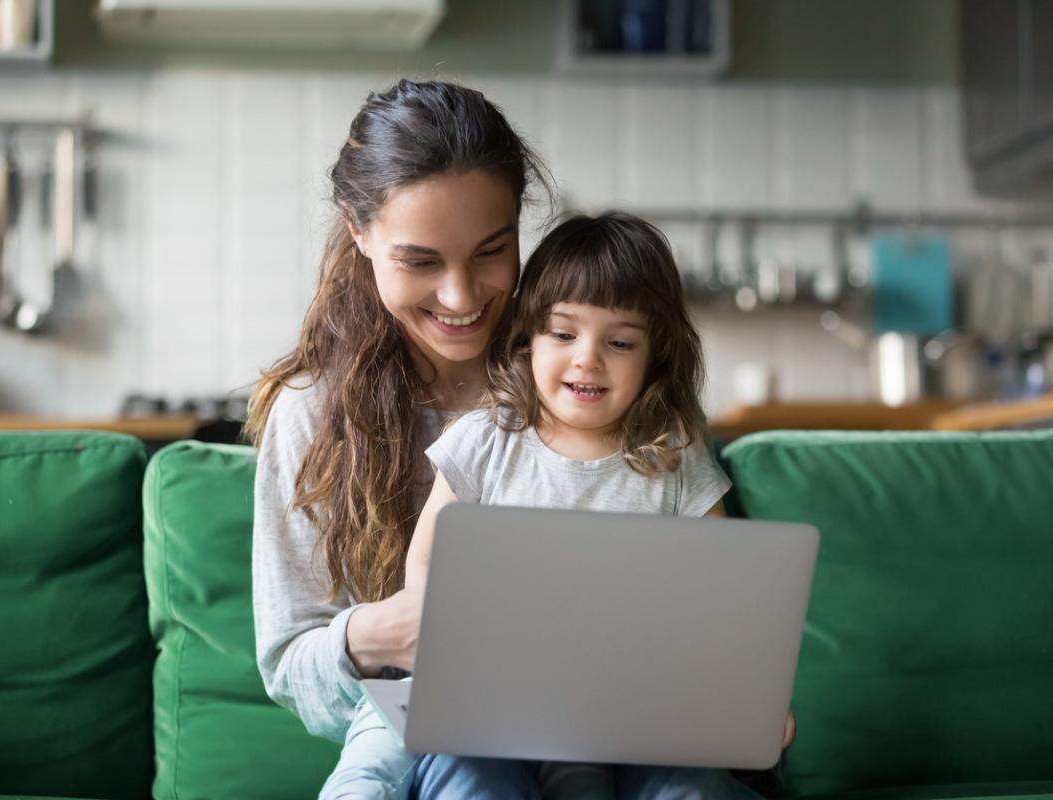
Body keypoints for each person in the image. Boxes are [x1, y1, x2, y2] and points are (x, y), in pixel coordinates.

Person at [249, 79, 788, 799]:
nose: (461, 297)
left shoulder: (594, 379)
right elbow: (289, 666)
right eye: (420, 261)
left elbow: (707, 591)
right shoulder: (311, 413)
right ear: (359, 231)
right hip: (449, 744)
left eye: (490, 251)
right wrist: (377, 635)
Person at [340, 211, 785, 799]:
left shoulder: (674, 458)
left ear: (655, 356)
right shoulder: (487, 440)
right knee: (465, 781)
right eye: (563, 333)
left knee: (689, 789)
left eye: (620, 342)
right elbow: (424, 571)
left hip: (636, 715)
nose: (588, 359)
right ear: (528, 337)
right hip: (494, 710)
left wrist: (747, 698)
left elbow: (724, 597)